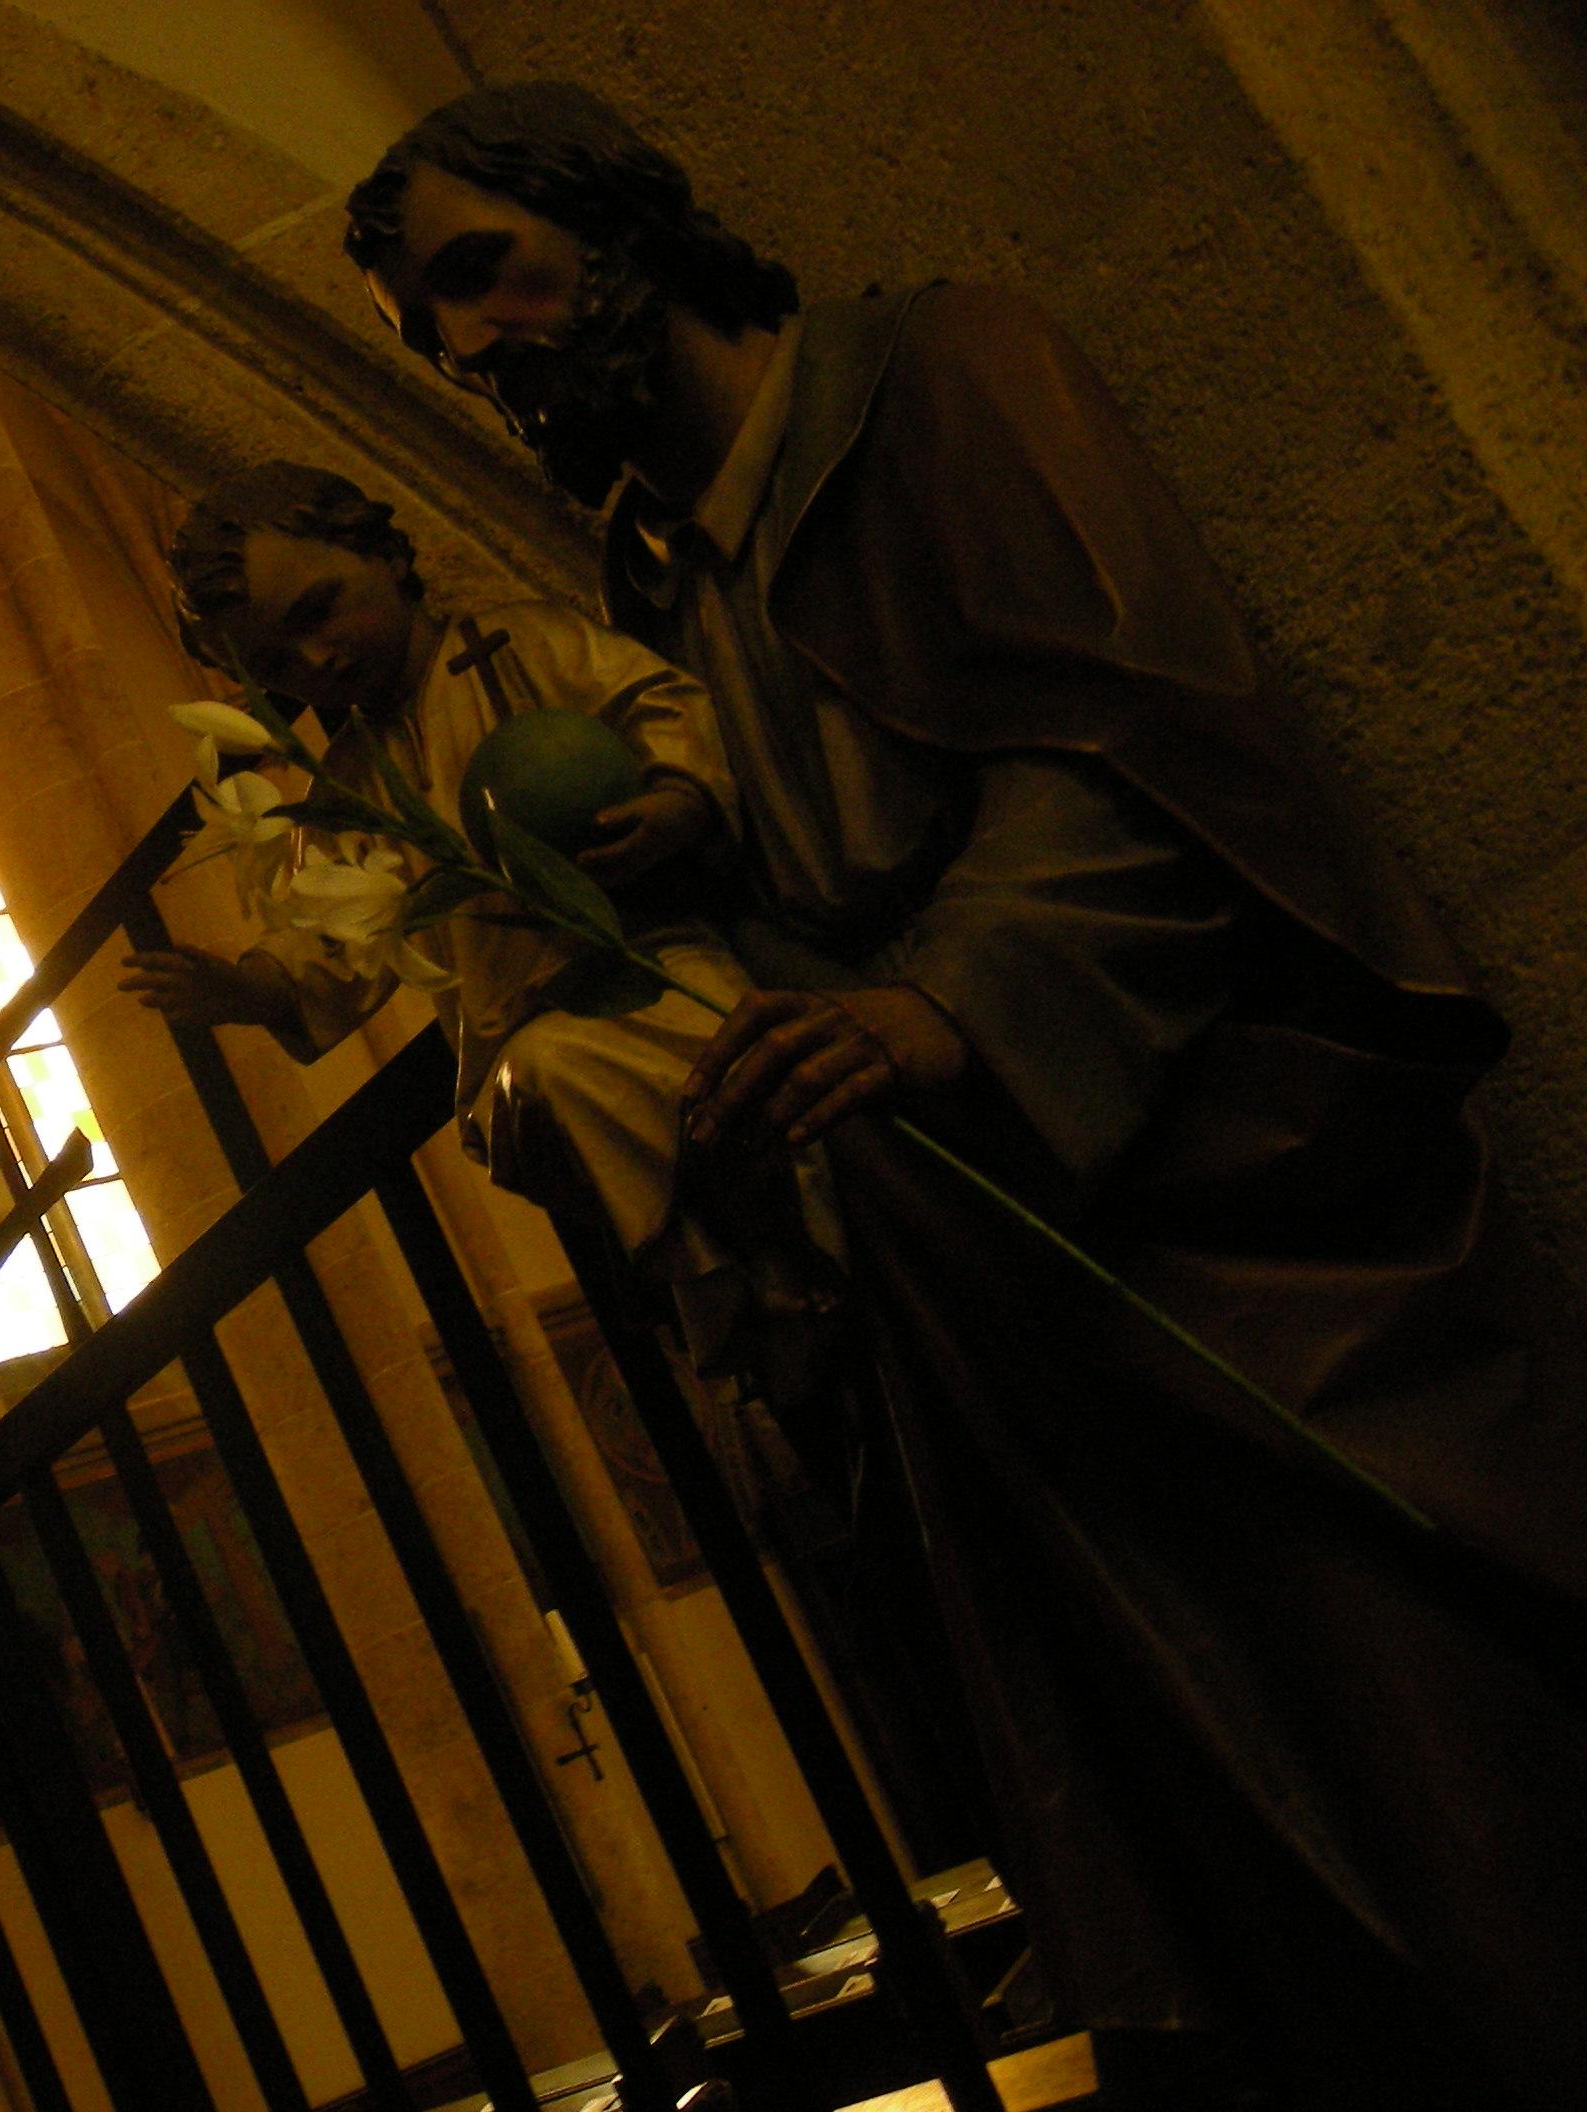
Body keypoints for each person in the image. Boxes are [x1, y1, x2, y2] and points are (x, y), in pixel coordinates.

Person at [338, 83, 1587, 2111]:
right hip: (987, 1238)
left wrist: (953, 1002)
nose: (473, 342)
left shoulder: (931, 377)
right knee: (1216, 1792)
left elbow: (1121, 721)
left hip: (1206, 1169)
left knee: (1417, 1710)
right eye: (430, 327)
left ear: (622, 219)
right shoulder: (661, 573)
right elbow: (824, 854)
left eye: (486, 271)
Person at [122, 460, 838, 1344]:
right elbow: (340, 936)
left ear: (385, 554)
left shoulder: (521, 644)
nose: (317, 660)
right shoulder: (349, 788)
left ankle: (763, 1273)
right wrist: (253, 988)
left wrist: (678, 797)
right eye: (275, 664)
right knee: (547, 1074)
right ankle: (740, 1281)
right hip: (513, 1041)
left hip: (654, 964)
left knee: (742, 1097)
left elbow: (656, 703)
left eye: (319, 610)